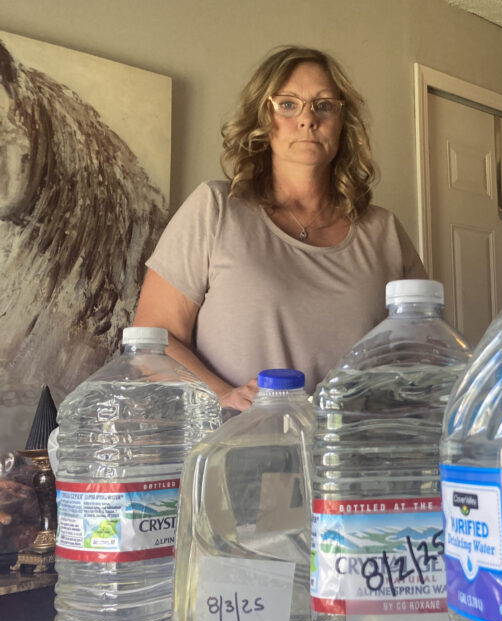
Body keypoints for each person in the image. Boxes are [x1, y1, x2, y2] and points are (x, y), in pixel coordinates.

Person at [134, 46, 426, 410]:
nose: (307, 119)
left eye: (324, 105)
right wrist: (223, 395)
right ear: (262, 119)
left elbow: (421, 355)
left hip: (352, 443)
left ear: (342, 123)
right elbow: (152, 343)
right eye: (288, 104)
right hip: (238, 441)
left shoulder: (385, 233)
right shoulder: (216, 208)